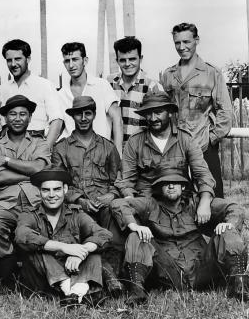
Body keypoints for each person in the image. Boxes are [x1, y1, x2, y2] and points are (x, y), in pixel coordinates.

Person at [112, 173, 248, 305]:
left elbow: (234, 208)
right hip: (169, 272)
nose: (171, 186)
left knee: (228, 229)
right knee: (136, 236)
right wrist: (134, 226)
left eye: (175, 183)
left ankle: (240, 285)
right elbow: (118, 204)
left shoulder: (196, 203)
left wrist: (229, 223)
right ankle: (137, 291)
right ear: (160, 188)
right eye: (166, 184)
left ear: (183, 187)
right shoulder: (150, 204)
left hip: (201, 268)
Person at [50, 96, 124, 294]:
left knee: (115, 222)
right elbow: (57, 184)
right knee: (76, 228)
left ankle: (113, 276)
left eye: (88, 113)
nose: (83, 118)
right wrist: (78, 200)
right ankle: (103, 278)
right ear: (72, 116)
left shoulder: (107, 147)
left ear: (94, 115)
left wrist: (111, 195)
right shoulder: (62, 148)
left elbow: (119, 179)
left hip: (104, 205)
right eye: (78, 114)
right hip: (76, 206)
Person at [15, 168, 112, 307]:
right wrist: (64, 247)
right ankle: (76, 290)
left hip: (72, 271)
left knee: (93, 249)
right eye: (46, 190)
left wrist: (81, 252)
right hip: (43, 281)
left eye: (56, 189)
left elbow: (104, 234)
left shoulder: (76, 214)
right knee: (39, 250)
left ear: (65, 189)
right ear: (39, 192)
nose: (52, 195)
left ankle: (75, 293)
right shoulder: (29, 214)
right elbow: (21, 235)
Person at [0, 95, 51, 283]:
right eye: (12, 114)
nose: (18, 118)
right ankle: (8, 274)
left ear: (30, 118)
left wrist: (6, 161)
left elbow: (40, 167)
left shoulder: (39, 142)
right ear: (5, 118)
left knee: (46, 227)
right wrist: (33, 174)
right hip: (5, 201)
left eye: (23, 114)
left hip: (36, 200)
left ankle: (38, 272)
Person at [160, 22, 233, 198]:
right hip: (176, 148)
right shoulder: (169, 75)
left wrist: (211, 139)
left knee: (212, 198)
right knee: (178, 200)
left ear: (197, 40)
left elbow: (226, 112)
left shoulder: (211, 73)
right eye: (177, 43)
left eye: (186, 42)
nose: (181, 47)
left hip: (204, 146)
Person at [115, 92, 216, 205]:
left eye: (158, 113)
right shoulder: (135, 141)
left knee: (225, 208)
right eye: (148, 114)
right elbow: (125, 179)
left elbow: (202, 174)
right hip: (147, 202)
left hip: (180, 202)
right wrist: (130, 199)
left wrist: (205, 201)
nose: (153, 118)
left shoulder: (185, 139)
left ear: (169, 113)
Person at [58, 42, 123, 151]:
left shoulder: (102, 85)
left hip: (101, 154)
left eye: (75, 59)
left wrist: (117, 156)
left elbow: (117, 119)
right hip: (72, 157)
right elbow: (57, 127)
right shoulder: (61, 94)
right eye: (67, 61)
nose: (71, 65)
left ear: (85, 60)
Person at [0, 39, 63, 145]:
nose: (13, 64)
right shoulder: (4, 89)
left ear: (28, 59)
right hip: (10, 144)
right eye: (9, 60)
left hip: (36, 141)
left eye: (18, 59)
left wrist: (45, 149)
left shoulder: (45, 85)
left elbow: (57, 120)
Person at [108, 36, 164, 143]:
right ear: (117, 61)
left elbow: (161, 125)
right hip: (113, 151)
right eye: (123, 60)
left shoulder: (152, 86)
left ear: (141, 58)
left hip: (141, 152)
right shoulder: (109, 83)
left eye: (132, 59)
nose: (128, 64)